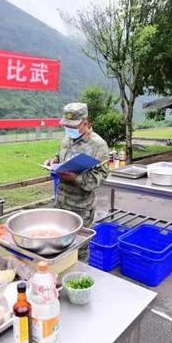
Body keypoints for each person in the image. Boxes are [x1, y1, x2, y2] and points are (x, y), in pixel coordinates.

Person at [45, 103, 109, 262]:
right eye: (66, 125)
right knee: (59, 243)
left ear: (85, 123)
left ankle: (78, 280)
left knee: (79, 248)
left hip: (81, 208)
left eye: (72, 126)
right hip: (61, 203)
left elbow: (101, 175)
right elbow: (59, 158)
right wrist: (53, 162)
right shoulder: (66, 139)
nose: (68, 129)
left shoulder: (98, 145)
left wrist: (76, 178)